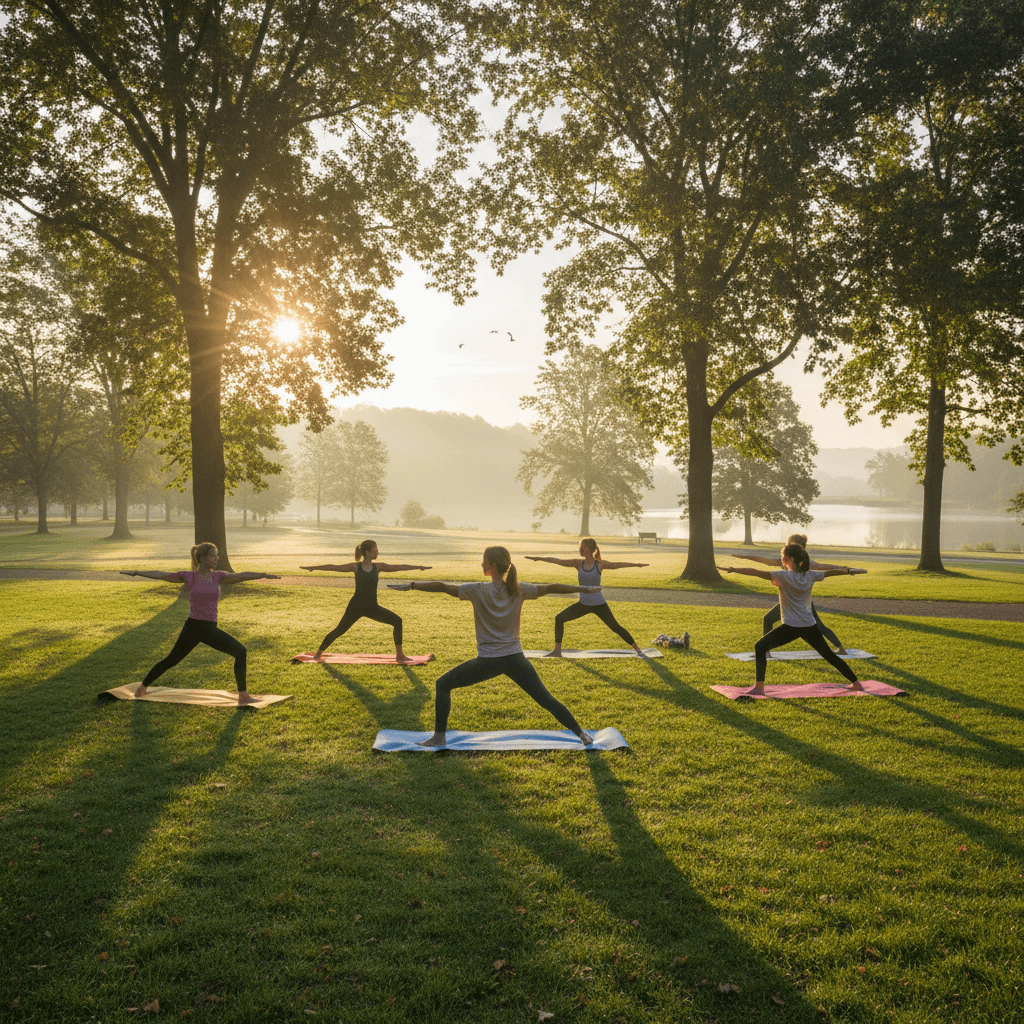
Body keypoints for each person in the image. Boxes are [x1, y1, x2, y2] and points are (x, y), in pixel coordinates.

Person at [394, 546, 596, 747]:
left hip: (488, 661)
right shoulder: (519, 588)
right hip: (515, 660)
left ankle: (439, 737)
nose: (481, 564)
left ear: (492, 565)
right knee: (546, 700)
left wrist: (412, 585)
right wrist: (584, 589)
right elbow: (551, 587)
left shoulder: (477, 590)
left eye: (484, 561)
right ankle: (582, 734)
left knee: (443, 684)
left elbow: (443, 586)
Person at [122, 543, 280, 706]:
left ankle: (143, 687)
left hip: (205, 627)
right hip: (195, 626)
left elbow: (241, 575)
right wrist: (137, 572)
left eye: (217, 555)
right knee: (174, 659)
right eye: (213, 555)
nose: (216, 558)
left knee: (236, 652)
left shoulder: (219, 576)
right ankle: (143, 686)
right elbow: (162, 574)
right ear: (203, 559)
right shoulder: (189, 577)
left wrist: (262, 575)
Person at [720, 543, 865, 696]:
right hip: (809, 625)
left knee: (760, 647)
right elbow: (830, 572)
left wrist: (733, 569)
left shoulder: (783, 576)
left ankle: (759, 688)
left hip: (791, 626)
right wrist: (849, 571)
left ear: (793, 560)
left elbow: (755, 572)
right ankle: (856, 684)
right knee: (828, 655)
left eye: (784, 558)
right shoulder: (811, 575)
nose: (782, 560)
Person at [300, 540, 431, 663]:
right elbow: (334, 567)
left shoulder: (378, 567)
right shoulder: (355, 567)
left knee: (397, 621)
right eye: (375, 550)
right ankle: (318, 654)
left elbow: (399, 567)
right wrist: (314, 567)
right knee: (340, 630)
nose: (377, 552)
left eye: (377, 550)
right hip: (355, 607)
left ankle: (400, 655)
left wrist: (418, 567)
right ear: (367, 552)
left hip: (372, 608)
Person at [735, 533, 866, 655]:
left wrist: (848, 570)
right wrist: (744, 557)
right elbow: (764, 560)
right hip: (789, 601)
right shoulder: (783, 560)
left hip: (803, 603)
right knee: (769, 619)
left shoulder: (808, 563)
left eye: (790, 545)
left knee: (818, 626)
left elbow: (826, 567)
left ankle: (840, 649)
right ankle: (766, 651)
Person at [526, 539, 648, 656]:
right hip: (583, 605)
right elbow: (558, 561)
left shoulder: (600, 564)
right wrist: (539, 558)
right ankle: (557, 651)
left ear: (589, 549)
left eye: (582, 547)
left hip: (599, 604)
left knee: (615, 627)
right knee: (559, 618)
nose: (580, 549)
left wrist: (636, 565)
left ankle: (638, 649)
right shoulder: (578, 563)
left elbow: (618, 565)